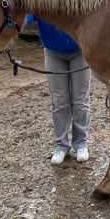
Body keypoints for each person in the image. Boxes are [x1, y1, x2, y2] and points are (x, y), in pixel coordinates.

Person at [25, 14, 91, 165]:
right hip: (53, 52)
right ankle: (61, 145)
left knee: (80, 100)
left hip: (80, 51)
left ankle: (81, 143)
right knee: (59, 100)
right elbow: (24, 14)